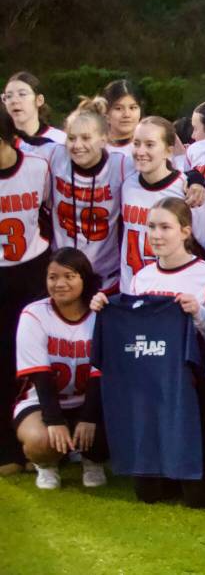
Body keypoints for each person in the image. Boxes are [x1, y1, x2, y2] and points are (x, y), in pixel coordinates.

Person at [91, 197, 205, 507]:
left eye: (165, 227)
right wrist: (105, 308)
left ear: (185, 232)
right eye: (150, 227)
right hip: (151, 383)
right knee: (148, 494)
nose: (156, 234)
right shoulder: (142, 278)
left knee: (199, 497)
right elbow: (132, 328)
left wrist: (199, 313)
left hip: (194, 385)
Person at [14, 248, 107, 490]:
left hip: (88, 400)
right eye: (53, 277)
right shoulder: (34, 314)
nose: (60, 284)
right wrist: (54, 420)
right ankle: (47, 465)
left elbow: (100, 373)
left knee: (109, 429)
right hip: (41, 402)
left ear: (84, 278)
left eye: (69, 276)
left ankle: (92, 460)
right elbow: (40, 375)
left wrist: (88, 418)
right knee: (40, 440)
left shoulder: (100, 314)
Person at [0, 108, 52, 476]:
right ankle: (6, 448)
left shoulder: (37, 166)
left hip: (32, 271)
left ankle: (43, 439)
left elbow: (51, 212)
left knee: (33, 360)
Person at [46, 97, 130, 293]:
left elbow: (159, 167)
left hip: (105, 275)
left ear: (103, 139)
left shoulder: (121, 165)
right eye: (72, 138)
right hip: (63, 272)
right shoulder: (55, 156)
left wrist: (194, 179)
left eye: (86, 138)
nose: (77, 145)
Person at [120, 116, 205, 291]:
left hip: (173, 294)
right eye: (136, 143)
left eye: (150, 144)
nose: (140, 151)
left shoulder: (189, 192)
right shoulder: (127, 185)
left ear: (169, 151)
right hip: (132, 291)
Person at [4, 72, 66, 146]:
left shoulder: (60, 140)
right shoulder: (3, 143)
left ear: (39, 100)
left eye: (22, 94)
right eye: (9, 96)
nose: (14, 101)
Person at [102, 79, 143, 158]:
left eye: (132, 108)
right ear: (106, 113)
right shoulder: (95, 149)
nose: (127, 114)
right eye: (118, 108)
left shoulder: (150, 149)